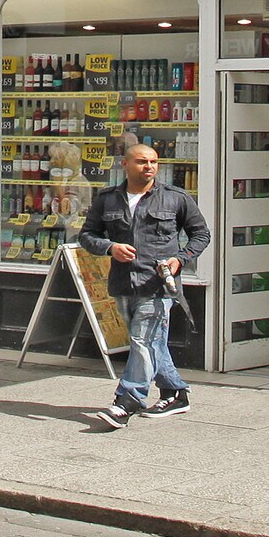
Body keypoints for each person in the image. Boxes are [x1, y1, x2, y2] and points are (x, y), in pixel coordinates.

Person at [78, 140, 210, 427]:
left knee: (142, 340)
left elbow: (201, 234)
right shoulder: (108, 199)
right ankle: (176, 393)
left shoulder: (175, 198)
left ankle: (127, 401)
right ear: (125, 165)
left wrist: (180, 259)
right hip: (124, 283)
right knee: (150, 343)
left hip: (158, 284)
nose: (149, 167)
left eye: (153, 162)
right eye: (142, 161)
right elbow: (87, 235)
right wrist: (110, 247)